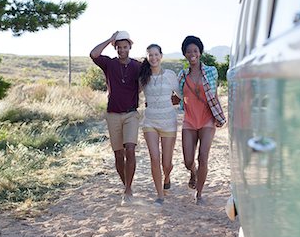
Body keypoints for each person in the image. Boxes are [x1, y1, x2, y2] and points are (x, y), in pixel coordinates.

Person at [89, 31, 141, 206]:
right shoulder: (109, 64)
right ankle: (126, 185)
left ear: (130, 47)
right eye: (118, 47)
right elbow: (93, 54)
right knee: (118, 155)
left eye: (125, 47)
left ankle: (128, 189)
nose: (122, 50)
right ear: (115, 48)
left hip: (131, 114)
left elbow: (150, 78)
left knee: (130, 150)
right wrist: (110, 39)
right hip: (112, 114)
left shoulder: (137, 66)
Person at [177, 35, 226, 205]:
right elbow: (178, 96)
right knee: (188, 161)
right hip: (189, 121)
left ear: (200, 52)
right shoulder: (182, 75)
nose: (192, 54)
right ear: (185, 54)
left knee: (203, 157)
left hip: (207, 120)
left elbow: (214, 95)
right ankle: (193, 172)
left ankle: (199, 194)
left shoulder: (212, 71)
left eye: (195, 51)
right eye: (189, 51)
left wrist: (218, 114)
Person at [139, 44, 181, 206]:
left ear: (161, 56)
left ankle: (167, 177)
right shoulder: (143, 77)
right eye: (150, 55)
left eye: (156, 54)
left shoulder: (170, 75)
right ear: (147, 57)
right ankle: (159, 195)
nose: (153, 58)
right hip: (150, 122)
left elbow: (182, 94)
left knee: (166, 163)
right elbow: (132, 93)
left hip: (169, 123)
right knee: (154, 158)